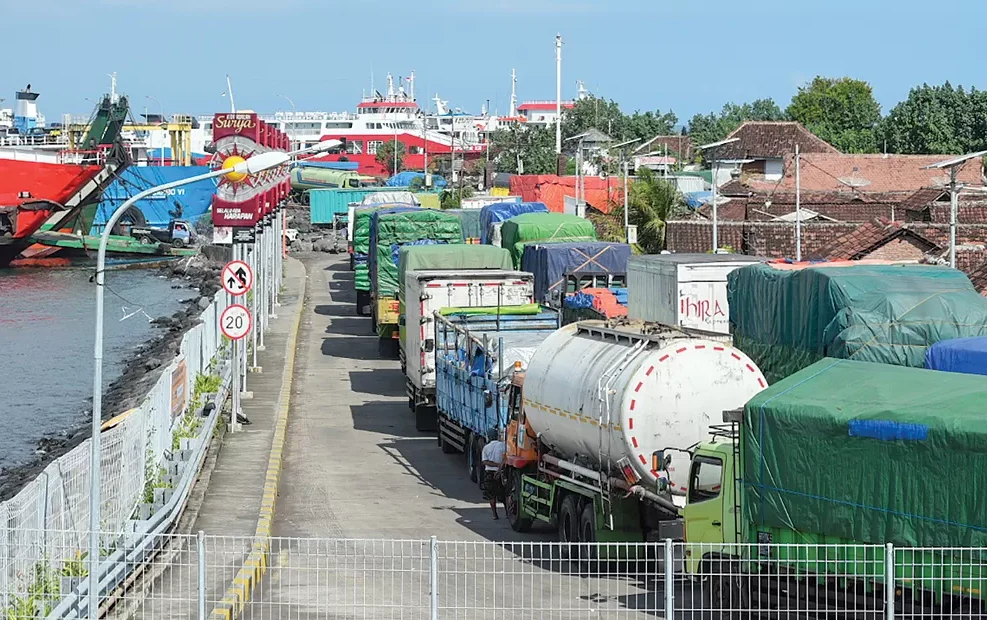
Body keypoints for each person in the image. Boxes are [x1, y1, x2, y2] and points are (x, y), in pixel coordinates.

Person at [481, 428, 507, 520]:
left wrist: (495, 465)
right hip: (501, 473)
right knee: (504, 494)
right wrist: (499, 468)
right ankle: (507, 514)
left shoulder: (486, 448)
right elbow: (505, 459)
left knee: (491, 495)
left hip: (489, 473)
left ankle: (494, 515)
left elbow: (484, 462)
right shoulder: (503, 445)